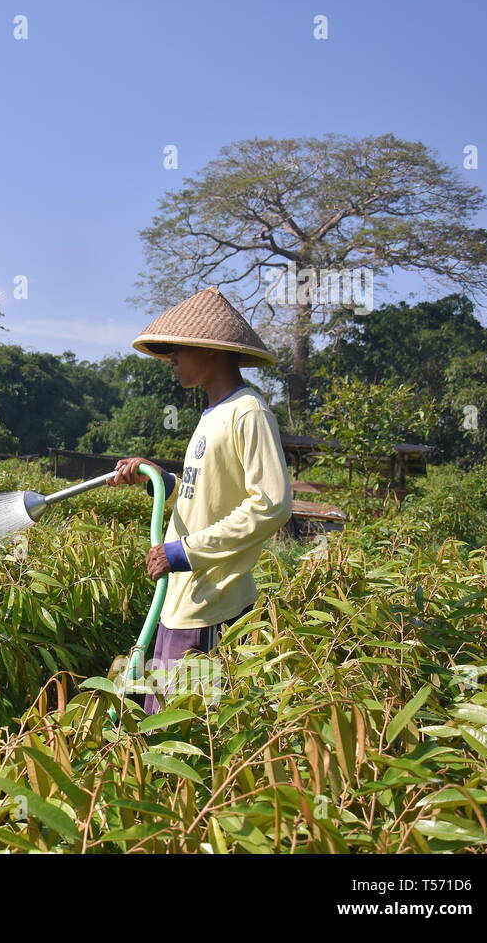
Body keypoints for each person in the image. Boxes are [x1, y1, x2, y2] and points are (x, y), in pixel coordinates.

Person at [105, 287, 293, 715]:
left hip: (212, 602)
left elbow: (272, 503)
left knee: (188, 728)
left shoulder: (249, 412)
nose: (171, 359)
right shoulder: (213, 413)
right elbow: (208, 491)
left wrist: (185, 552)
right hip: (182, 598)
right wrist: (160, 480)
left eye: (179, 350)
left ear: (210, 351)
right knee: (160, 717)